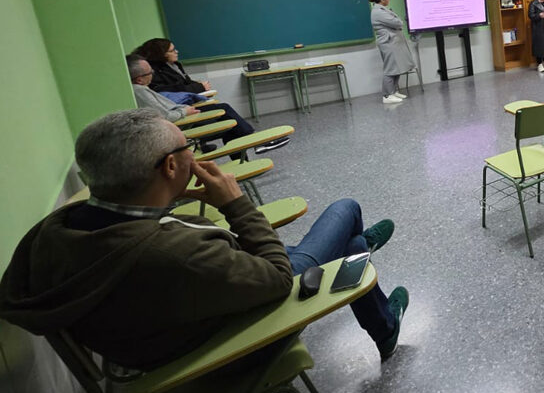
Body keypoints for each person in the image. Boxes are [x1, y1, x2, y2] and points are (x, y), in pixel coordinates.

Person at [0, 108, 410, 371]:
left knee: (350, 249)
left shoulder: (61, 228)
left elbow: (195, 262)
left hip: (164, 329)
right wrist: (235, 203)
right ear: (172, 165)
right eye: (189, 147)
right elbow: (276, 279)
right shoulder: (172, 253)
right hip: (224, 344)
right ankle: (363, 266)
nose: (195, 155)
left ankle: (370, 288)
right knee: (346, 211)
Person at [126, 55, 289, 154]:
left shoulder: (143, 87)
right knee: (227, 117)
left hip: (184, 117)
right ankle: (254, 143)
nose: (153, 75)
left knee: (227, 117)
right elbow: (166, 116)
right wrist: (185, 112)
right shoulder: (140, 91)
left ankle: (250, 149)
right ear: (139, 78)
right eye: (150, 73)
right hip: (182, 126)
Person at [369, 0, 417, 103]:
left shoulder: (382, 10)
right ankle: (387, 95)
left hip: (393, 43)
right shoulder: (378, 12)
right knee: (390, 68)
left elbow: (397, 22)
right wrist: (399, 20)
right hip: (388, 43)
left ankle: (393, 91)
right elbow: (398, 23)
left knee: (397, 67)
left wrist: (398, 21)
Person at [133, 38, 213, 95]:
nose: (176, 52)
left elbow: (185, 82)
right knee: (224, 107)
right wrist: (198, 87)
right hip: (180, 105)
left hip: (186, 101)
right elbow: (165, 91)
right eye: (172, 51)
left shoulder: (174, 65)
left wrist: (200, 85)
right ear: (161, 54)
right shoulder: (153, 71)